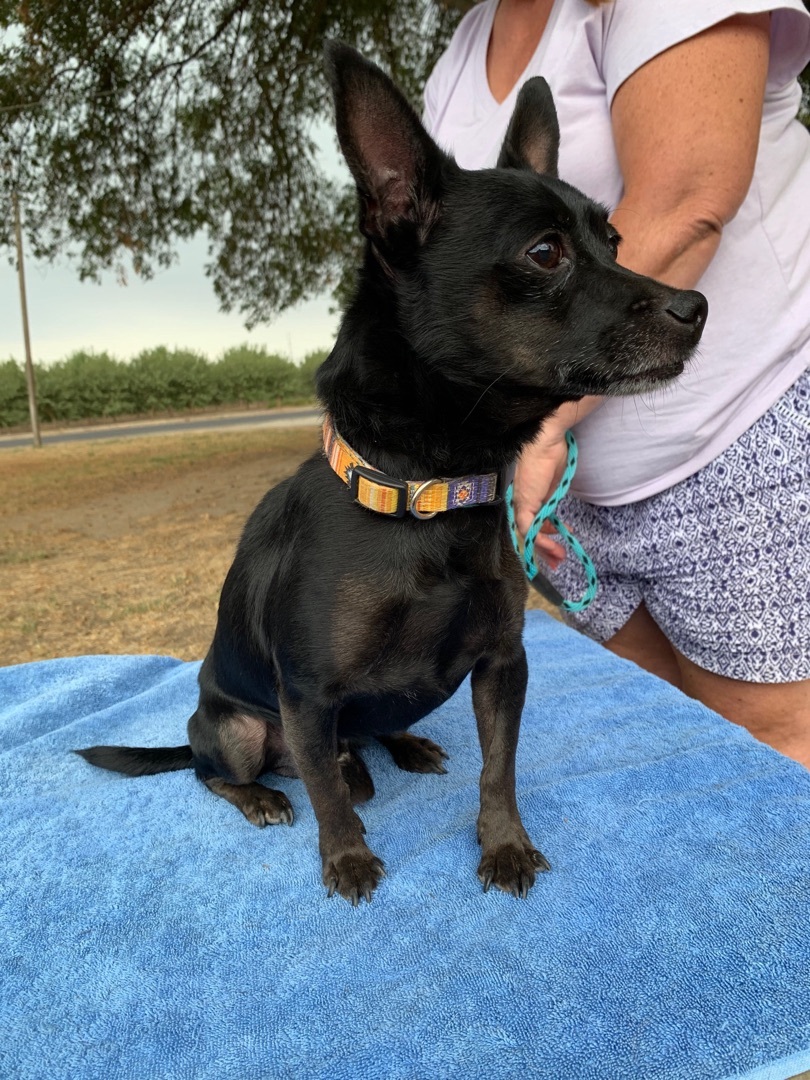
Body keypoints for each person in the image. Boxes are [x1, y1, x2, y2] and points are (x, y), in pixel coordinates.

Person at [423, 0, 810, 766]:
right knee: (674, 737)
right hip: (572, 504)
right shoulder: (463, 51)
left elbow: (686, 203)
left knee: (769, 746)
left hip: (737, 449)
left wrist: (541, 423)